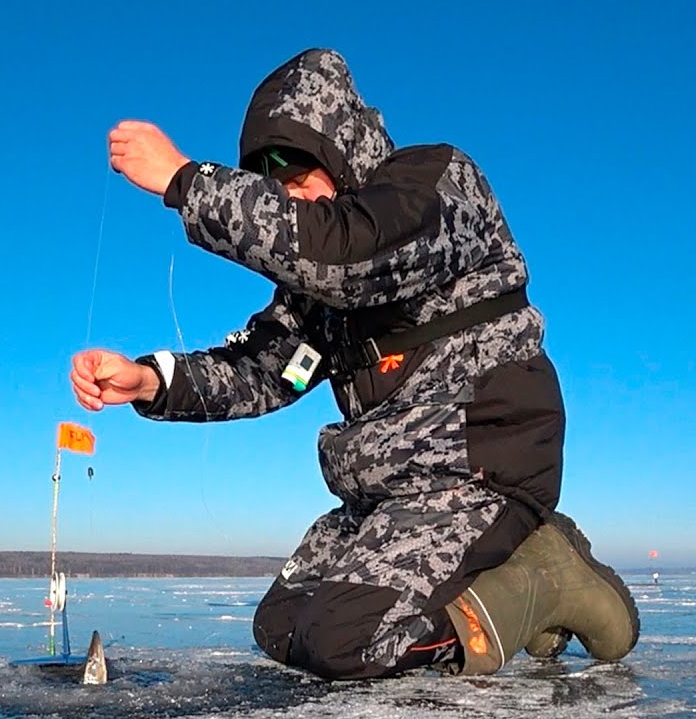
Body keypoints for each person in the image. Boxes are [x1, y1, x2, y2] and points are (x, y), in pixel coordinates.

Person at [70, 48, 638, 679]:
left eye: (297, 169)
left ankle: (543, 577)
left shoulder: (434, 185)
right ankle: (505, 564)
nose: (287, 192)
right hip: (385, 489)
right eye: (269, 182)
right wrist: (150, 379)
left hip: (477, 467)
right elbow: (271, 368)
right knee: (284, 628)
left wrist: (185, 181)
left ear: (342, 150)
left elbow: (350, 255)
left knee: (348, 642)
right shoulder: (321, 289)